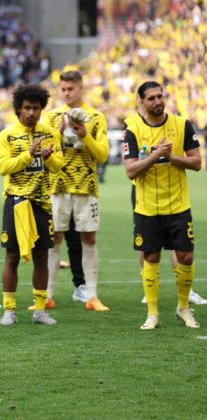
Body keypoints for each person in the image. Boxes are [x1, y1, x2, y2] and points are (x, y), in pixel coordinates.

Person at [122, 81, 201, 330]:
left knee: (186, 257)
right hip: (148, 206)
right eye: (151, 98)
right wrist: (156, 155)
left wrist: (171, 157)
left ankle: (183, 308)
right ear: (141, 102)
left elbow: (197, 162)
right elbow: (130, 170)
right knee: (151, 257)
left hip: (178, 204)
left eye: (160, 96)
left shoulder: (181, 124)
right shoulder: (132, 129)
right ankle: (153, 313)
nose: (157, 101)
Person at [0, 84, 64, 326]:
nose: (32, 113)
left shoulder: (50, 134)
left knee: (42, 256)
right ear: (18, 109)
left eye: (36, 108)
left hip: (42, 203)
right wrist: (29, 154)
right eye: (27, 108)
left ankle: (40, 309)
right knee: (12, 256)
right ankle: (9, 309)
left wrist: (48, 157)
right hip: (16, 202)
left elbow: (59, 166)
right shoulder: (6, 135)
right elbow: (3, 167)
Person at [43, 70, 110, 311]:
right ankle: (47, 295)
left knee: (89, 238)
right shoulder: (51, 117)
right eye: (63, 89)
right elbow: (44, 150)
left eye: (71, 89)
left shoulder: (95, 117)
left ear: (81, 88)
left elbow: (102, 155)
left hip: (86, 187)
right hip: (57, 186)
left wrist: (86, 135)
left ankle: (92, 296)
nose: (66, 93)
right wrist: (58, 133)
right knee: (54, 238)